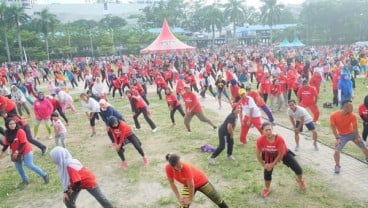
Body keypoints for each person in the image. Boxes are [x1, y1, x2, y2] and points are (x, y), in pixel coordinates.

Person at [49, 146, 114, 208]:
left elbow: (78, 182)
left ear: (59, 157)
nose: (52, 160)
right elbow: (67, 180)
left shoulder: (70, 166)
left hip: (88, 182)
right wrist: (66, 192)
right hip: (76, 183)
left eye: (53, 158)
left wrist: (71, 190)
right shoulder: (62, 165)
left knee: (100, 198)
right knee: (68, 200)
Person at [256, 122, 306, 198]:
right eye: (266, 130)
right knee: (267, 173)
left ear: (272, 129)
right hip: (270, 155)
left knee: (299, 170)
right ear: (262, 131)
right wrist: (264, 165)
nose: (268, 132)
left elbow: (280, 154)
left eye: (270, 129)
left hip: (283, 153)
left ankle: (300, 180)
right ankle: (267, 189)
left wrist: (273, 164)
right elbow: (257, 154)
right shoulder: (260, 140)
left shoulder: (279, 138)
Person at [0, 118, 49, 188]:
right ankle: (25, 180)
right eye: (10, 124)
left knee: (29, 165)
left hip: (26, 150)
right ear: (7, 125)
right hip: (15, 152)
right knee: (19, 167)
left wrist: (16, 152)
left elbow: (23, 143)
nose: (12, 125)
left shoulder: (20, 131)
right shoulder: (7, 133)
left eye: (13, 123)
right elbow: (6, 144)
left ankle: (44, 175)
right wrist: (2, 152)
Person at [330, 100, 368, 174]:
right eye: (351, 107)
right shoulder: (334, 115)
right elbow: (333, 127)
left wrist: (357, 137)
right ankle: (337, 166)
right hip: (341, 135)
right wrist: (337, 138)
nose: (352, 108)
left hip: (352, 134)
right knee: (336, 151)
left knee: (364, 147)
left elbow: (355, 128)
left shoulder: (352, 115)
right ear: (345, 107)